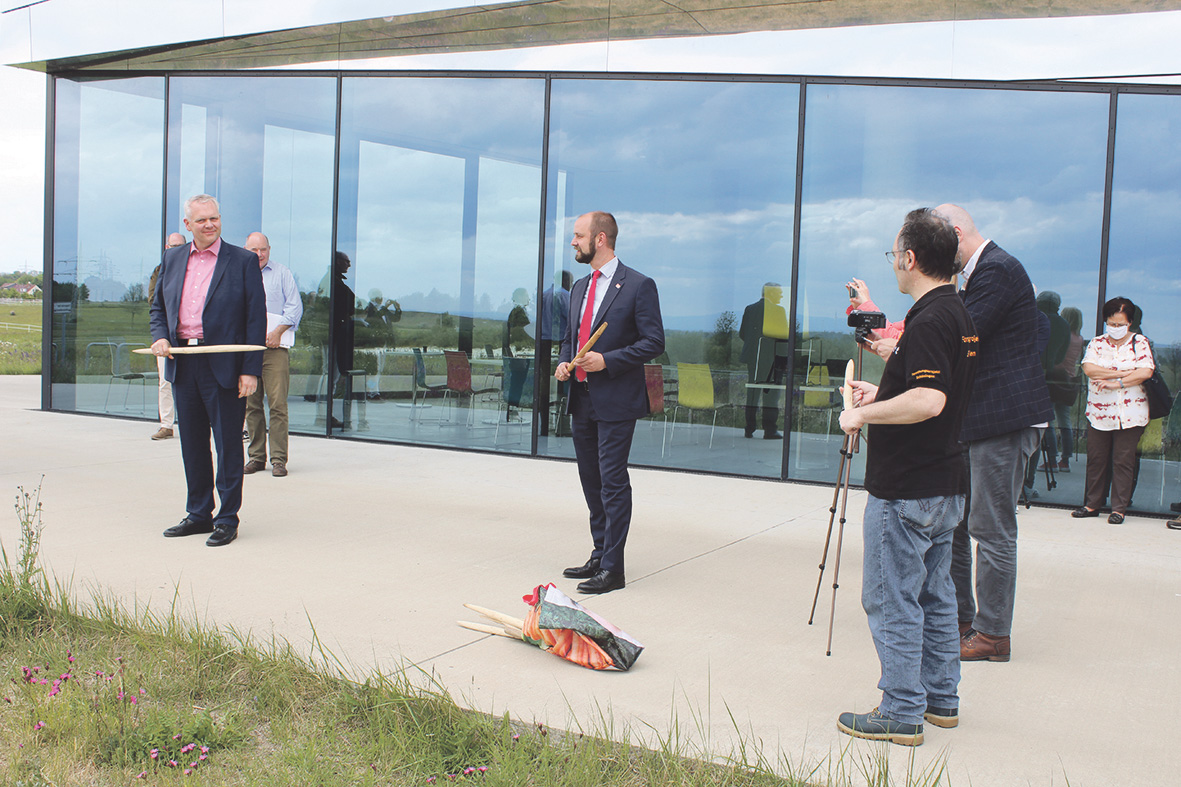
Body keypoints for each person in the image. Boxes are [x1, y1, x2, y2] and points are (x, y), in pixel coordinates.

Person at [836, 208, 978, 746]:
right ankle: (941, 699)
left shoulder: (929, 317)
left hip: (908, 489)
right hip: (945, 482)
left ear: (910, 259)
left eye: (895, 253)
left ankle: (899, 711)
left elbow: (929, 399)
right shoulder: (956, 312)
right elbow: (928, 391)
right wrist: (882, 395)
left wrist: (861, 414)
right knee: (935, 596)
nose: (893, 262)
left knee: (892, 596)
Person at [937, 203, 1052, 663]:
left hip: (1003, 422)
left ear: (957, 233)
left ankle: (992, 635)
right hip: (979, 422)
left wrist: (906, 343)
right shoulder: (979, 273)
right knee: (961, 523)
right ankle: (963, 621)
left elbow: (964, 334)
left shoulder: (998, 269)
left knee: (992, 529)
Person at [555, 211, 664, 595]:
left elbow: (654, 342)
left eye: (578, 235)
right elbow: (571, 337)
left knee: (613, 482)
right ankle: (600, 552)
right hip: (581, 397)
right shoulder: (580, 288)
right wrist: (564, 360)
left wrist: (608, 360)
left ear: (600, 239)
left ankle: (613, 569)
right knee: (591, 480)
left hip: (617, 399)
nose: (573, 242)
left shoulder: (638, 285)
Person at [149, 194, 266, 548]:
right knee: (193, 446)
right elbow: (158, 309)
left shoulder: (242, 260)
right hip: (183, 363)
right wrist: (160, 338)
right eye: (201, 221)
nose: (210, 225)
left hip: (226, 365)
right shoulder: (172, 258)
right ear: (188, 225)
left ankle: (227, 519)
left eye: (214, 218)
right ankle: (199, 514)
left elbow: (254, 317)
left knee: (229, 445)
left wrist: (250, 370)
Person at [1070, 297, 1155, 524]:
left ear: (1130, 323)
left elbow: (1145, 372)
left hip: (1131, 414)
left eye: (1120, 325)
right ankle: (1091, 504)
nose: (1115, 329)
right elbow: (1089, 368)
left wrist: (1115, 382)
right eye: (1112, 324)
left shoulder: (1140, 342)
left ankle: (1119, 509)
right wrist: (1124, 373)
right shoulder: (1097, 343)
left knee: (1123, 461)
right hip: (1099, 414)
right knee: (1097, 459)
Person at [243, 232, 303, 478]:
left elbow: (295, 307)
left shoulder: (282, 273)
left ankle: (279, 460)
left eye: (263, 249)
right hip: (247, 349)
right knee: (251, 404)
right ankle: (256, 458)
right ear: (245, 249)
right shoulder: (238, 273)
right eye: (254, 250)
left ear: (269, 249)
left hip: (275, 349)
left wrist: (278, 332)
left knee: (277, 404)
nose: (259, 254)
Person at [147, 232, 187, 440]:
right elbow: (154, 301)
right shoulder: (159, 270)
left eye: (181, 245)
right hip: (167, 336)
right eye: (173, 246)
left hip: (190, 336)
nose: (177, 250)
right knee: (165, 381)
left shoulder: (193, 267)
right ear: (166, 247)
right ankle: (166, 425)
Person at [738, 282, 788, 439]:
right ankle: (769, 429)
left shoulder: (750, 309)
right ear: (771, 293)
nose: (781, 295)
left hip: (753, 359)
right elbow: (784, 337)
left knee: (752, 394)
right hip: (773, 360)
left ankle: (749, 428)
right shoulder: (778, 311)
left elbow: (742, 334)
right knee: (771, 396)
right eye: (779, 293)